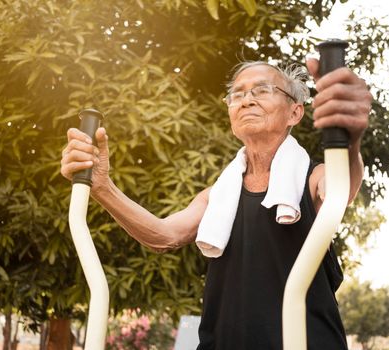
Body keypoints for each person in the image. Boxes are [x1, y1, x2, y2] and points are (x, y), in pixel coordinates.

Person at [60, 58, 371, 349]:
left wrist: (351, 136)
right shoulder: (218, 195)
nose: (246, 99)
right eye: (237, 94)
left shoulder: (313, 178)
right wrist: (101, 186)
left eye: (262, 90)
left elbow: (342, 186)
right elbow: (163, 235)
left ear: (295, 112)